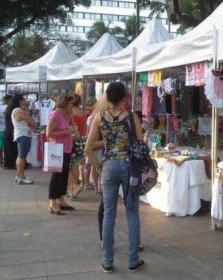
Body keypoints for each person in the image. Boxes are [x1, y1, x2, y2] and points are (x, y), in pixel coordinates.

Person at [85, 81, 145, 273]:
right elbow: (140, 143)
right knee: (132, 213)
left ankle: (107, 261)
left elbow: (88, 147)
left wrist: (99, 167)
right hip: (129, 167)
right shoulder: (132, 117)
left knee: (109, 213)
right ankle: (133, 260)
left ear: (107, 97)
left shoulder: (98, 118)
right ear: (125, 98)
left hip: (109, 167)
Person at [46, 93, 76, 215]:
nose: (72, 106)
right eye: (70, 104)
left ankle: (61, 199)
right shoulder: (55, 114)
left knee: (63, 176)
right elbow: (49, 133)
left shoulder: (66, 115)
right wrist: (66, 131)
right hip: (57, 149)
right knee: (57, 176)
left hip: (66, 149)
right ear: (65, 103)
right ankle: (52, 203)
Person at [9, 94, 35, 185]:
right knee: (22, 156)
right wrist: (30, 120)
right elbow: (32, 122)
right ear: (20, 101)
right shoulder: (19, 110)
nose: (26, 101)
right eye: (24, 99)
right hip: (23, 134)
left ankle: (19, 175)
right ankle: (21, 177)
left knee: (20, 156)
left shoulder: (17, 110)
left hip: (21, 134)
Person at [0, 95, 12, 168]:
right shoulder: (8, 107)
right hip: (7, 128)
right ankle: (6, 162)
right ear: (8, 100)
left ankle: (0, 163)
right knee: (7, 146)